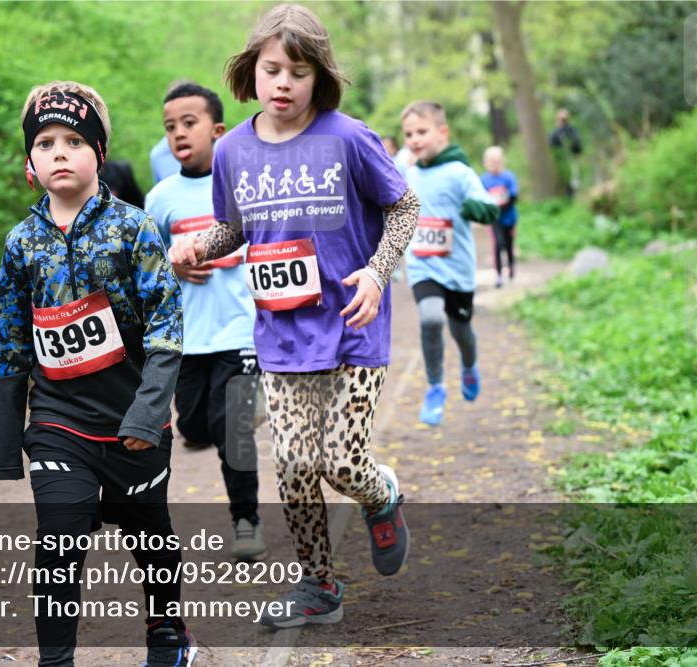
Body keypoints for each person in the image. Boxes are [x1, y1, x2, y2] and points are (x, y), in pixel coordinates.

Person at [169, 3, 420, 629]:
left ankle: (380, 493)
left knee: (341, 462)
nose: (283, 83)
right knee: (295, 465)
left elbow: (405, 206)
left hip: (354, 326)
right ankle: (319, 585)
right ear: (251, 68)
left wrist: (378, 269)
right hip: (280, 334)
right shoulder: (233, 152)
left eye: (299, 72)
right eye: (273, 68)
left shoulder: (349, 138)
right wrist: (197, 248)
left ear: (320, 78)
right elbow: (234, 228)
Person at [0, 80, 195, 666]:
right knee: (59, 536)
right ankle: (55, 660)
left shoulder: (134, 230)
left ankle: (166, 633)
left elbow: (166, 327)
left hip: (133, 421)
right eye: (46, 142)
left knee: (149, 533)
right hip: (58, 421)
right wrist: (8, 444)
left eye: (75, 140)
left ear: (99, 154)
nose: (60, 151)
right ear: (29, 162)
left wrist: (150, 410)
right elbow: (9, 342)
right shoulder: (21, 243)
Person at [145, 82, 265, 561]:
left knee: (231, 429)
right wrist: (171, 267)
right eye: (170, 126)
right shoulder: (160, 198)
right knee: (195, 424)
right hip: (188, 338)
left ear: (218, 130)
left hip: (239, 328)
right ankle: (243, 408)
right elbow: (144, 266)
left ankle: (247, 521)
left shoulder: (245, 184)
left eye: (189, 123)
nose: (179, 133)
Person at [400, 101, 500, 426]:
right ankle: (435, 387)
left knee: (461, 331)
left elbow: (488, 206)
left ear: (442, 132)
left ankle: (469, 366)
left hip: (457, 268)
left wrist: (476, 209)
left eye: (422, 132)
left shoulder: (460, 172)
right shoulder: (409, 173)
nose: (414, 139)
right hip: (421, 264)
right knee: (430, 319)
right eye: (409, 134)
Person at [480, 146, 520, 287]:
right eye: (491, 162)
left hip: (509, 217)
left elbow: (514, 195)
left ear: (502, 161)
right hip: (494, 218)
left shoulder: (509, 177)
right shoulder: (484, 179)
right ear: (486, 163)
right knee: (498, 244)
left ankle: (511, 268)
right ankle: (498, 276)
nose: (494, 165)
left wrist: (503, 206)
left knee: (508, 244)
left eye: (497, 162)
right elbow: (481, 198)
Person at [549, 108, 582, 198]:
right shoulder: (556, 133)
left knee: (573, 183)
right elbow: (551, 145)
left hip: (570, 160)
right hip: (561, 162)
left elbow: (577, 146)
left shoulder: (571, 130)